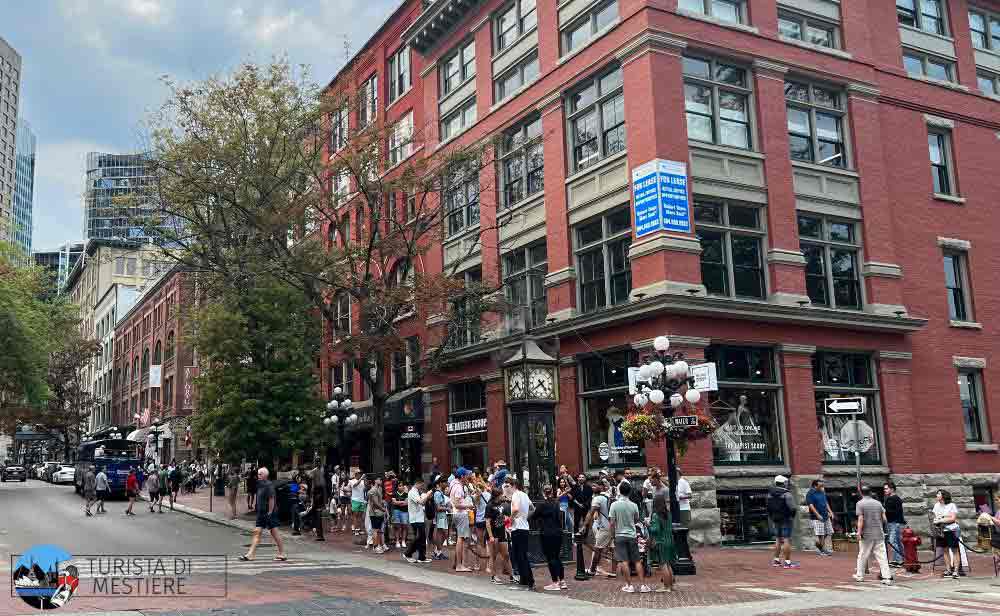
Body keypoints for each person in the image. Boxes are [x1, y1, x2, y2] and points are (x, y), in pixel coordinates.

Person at [241, 467, 287, 562]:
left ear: (265, 475)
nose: (258, 476)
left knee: (273, 533)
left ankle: (282, 553)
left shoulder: (269, 485)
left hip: (269, 513)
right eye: (258, 474)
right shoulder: (260, 484)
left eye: (260, 474)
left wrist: (270, 512)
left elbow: (271, 499)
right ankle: (251, 554)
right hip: (262, 513)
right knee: (258, 532)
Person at [610, 482, 648, 593]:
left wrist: (612, 536)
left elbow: (612, 522)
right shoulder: (634, 505)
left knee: (624, 561)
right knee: (637, 561)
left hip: (619, 535)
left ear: (619, 491)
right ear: (629, 492)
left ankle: (629, 585)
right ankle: (643, 585)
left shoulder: (614, 505)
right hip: (631, 535)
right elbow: (636, 520)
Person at [855, 485, 892, 585]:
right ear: (870, 492)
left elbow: (860, 519)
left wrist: (858, 532)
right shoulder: (878, 503)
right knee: (882, 556)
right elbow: (884, 519)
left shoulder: (860, 503)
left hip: (866, 534)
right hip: (879, 533)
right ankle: (887, 577)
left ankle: (860, 575)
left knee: (863, 555)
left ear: (861, 493)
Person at [531, 484, 567, 591]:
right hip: (557, 533)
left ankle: (555, 582)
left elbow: (533, 516)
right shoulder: (556, 503)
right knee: (557, 557)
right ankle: (562, 581)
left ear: (543, 493)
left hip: (547, 534)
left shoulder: (542, 505)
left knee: (550, 558)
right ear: (551, 491)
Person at [647, 470, 675, 592]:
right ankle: (671, 585)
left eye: (651, 479)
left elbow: (655, 529)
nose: (650, 482)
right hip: (669, 539)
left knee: (663, 564)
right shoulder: (668, 516)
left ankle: (666, 587)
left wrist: (649, 524)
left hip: (661, 541)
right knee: (668, 564)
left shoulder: (665, 491)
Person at [582, 479, 616, 578]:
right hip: (612, 527)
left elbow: (590, 513)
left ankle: (592, 570)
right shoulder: (609, 496)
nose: (593, 487)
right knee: (614, 550)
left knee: (597, 549)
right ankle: (613, 572)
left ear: (601, 487)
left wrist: (584, 525)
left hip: (604, 528)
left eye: (595, 485)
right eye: (592, 486)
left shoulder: (597, 499)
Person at [507, 475, 534, 591]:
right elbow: (533, 508)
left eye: (508, 486)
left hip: (517, 528)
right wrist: (525, 518)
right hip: (524, 528)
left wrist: (510, 520)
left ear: (513, 486)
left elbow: (516, 509)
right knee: (520, 555)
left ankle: (529, 581)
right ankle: (524, 580)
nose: (507, 488)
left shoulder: (515, 495)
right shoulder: (524, 495)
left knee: (520, 556)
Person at [768, 475, 799, 569]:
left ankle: (776, 561)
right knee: (786, 539)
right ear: (784, 483)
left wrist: (772, 517)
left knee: (777, 539)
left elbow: (768, 508)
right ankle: (787, 562)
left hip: (775, 519)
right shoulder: (787, 494)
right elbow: (793, 508)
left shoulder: (770, 494)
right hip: (786, 519)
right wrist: (792, 516)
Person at [485, 487, 512, 584]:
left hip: (501, 532)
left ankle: (511, 575)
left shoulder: (502, 504)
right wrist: (490, 536)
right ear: (497, 496)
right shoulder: (489, 506)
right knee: (493, 556)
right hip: (493, 533)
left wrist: (507, 523)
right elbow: (487, 522)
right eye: (501, 495)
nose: (502, 496)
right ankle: (494, 576)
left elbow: (505, 517)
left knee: (506, 554)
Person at [404, 477, 433, 563]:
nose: (422, 487)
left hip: (419, 517)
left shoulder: (416, 492)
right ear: (418, 483)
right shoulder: (412, 492)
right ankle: (408, 553)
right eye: (421, 485)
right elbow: (421, 502)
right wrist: (427, 495)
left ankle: (422, 557)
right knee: (419, 537)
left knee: (422, 538)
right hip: (415, 518)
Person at [932, 489, 960, 578]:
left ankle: (956, 570)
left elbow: (953, 518)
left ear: (943, 495)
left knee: (954, 550)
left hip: (951, 530)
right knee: (945, 550)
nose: (937, 495)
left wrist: (942, 519)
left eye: (938, 494)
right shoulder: (936, 505)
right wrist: (942, 518)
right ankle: (948, 569)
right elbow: (935, 517)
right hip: (941, 530)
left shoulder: (951, 505)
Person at [450, 468, 474, 572]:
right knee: (461, 538)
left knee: (461, 538)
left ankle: (458, 564)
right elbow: (457, 504)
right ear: (462, 476)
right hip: (460, 514)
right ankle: (459, 565)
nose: (467, 477)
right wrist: (468, 506)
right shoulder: (458, 487)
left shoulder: (454, 484)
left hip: (457, 514)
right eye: (466, 475)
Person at [806, 479, 835, 556]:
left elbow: (825, 502)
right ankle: (823, 550)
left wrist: (831, 512)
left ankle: (819, 545)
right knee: (821, 534)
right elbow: (811, 505)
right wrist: (817, 514)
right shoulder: (810, 493)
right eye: (820, 485)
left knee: (828, 532)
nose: (822, 486)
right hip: (817, 517)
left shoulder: (822, 492)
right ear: (815, 486)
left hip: (825, 515)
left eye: (822, 485)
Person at [883, 482, 906, 566]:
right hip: (896, 522)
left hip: (894, 522)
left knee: (893, 541)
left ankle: (898, 560)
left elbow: (895, 512)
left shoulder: (893, 498)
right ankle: (901, 559)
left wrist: (884, 511)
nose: (884, 490)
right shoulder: (893, 498)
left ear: (891, 489)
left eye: (886, 488)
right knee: (898, 542)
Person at [368, 475, 388, 553]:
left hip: (379, 513)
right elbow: (375, 503)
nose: (381, 481)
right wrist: (382, 509)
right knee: (375, 530)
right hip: (374, 513)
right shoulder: (373, 490)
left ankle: (379, 545)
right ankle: (375, 546)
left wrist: (383, 503)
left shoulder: (379, 489)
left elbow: (379, 500)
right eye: (379, 480)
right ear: (375, 481)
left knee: (379, 530)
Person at [432, 476, 449, 560]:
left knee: (444, 534)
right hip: (440, 516)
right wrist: (447, 508)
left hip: (443, 515)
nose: (447, 484)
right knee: (441, 533)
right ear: (441, 483)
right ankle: (438, 551)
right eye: (445, 482)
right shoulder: (438, 493)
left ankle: (438, 551)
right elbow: (438, 508)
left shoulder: (440, 492)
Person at [310, 462, 327, 541]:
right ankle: (318, 532)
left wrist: (325, 500)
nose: (318, 463)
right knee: (316, 514)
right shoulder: (314, 471)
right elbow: (312, 483)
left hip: (321, 492)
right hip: (316, 492)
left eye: (319, 461)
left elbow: (325, 484)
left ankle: (320, 534)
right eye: (317, 461)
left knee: (318, 514)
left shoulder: (323, 470)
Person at [393, 481, 410, 549]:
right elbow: (394, 502)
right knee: (397, 526)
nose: (400, 487)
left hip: (404, 512)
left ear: (404, 487)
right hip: (396, 511)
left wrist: (398, 502)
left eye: (402, 486)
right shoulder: (394, 494)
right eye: (399, 486)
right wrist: (402, 502)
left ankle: (403, 541)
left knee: (404, 526)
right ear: (397, 487)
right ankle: (397, 541)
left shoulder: (406, 494)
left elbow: (406, 503)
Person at [349, 471, 366, 535]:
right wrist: (361, 478)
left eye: (361, 473)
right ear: (356, 474)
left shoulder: (362, 481)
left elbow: (366, 488)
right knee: (355, 515)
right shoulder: (352, 481)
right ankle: (356, 530)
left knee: (361, 516)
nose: (360, 474)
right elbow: (355, 485)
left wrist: (365, 479)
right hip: (355, 500)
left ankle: (360, 529)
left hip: (362, 500)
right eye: (359, 473)